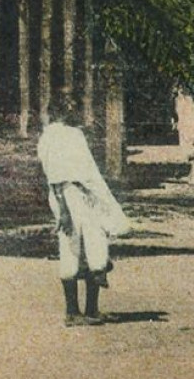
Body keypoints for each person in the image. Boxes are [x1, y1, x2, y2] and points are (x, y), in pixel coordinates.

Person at [38, 99, 129, 326]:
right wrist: (64, 211)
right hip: (67, 196)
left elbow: (87, 170)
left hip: (87, 196)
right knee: (71, 247)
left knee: (96, 244)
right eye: (67, 105)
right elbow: (55, 177)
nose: (72, 109)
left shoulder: (76, 134)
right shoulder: (51, 136)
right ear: (56, 110)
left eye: (73, 105)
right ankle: (72, 313)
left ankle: (92, 310)